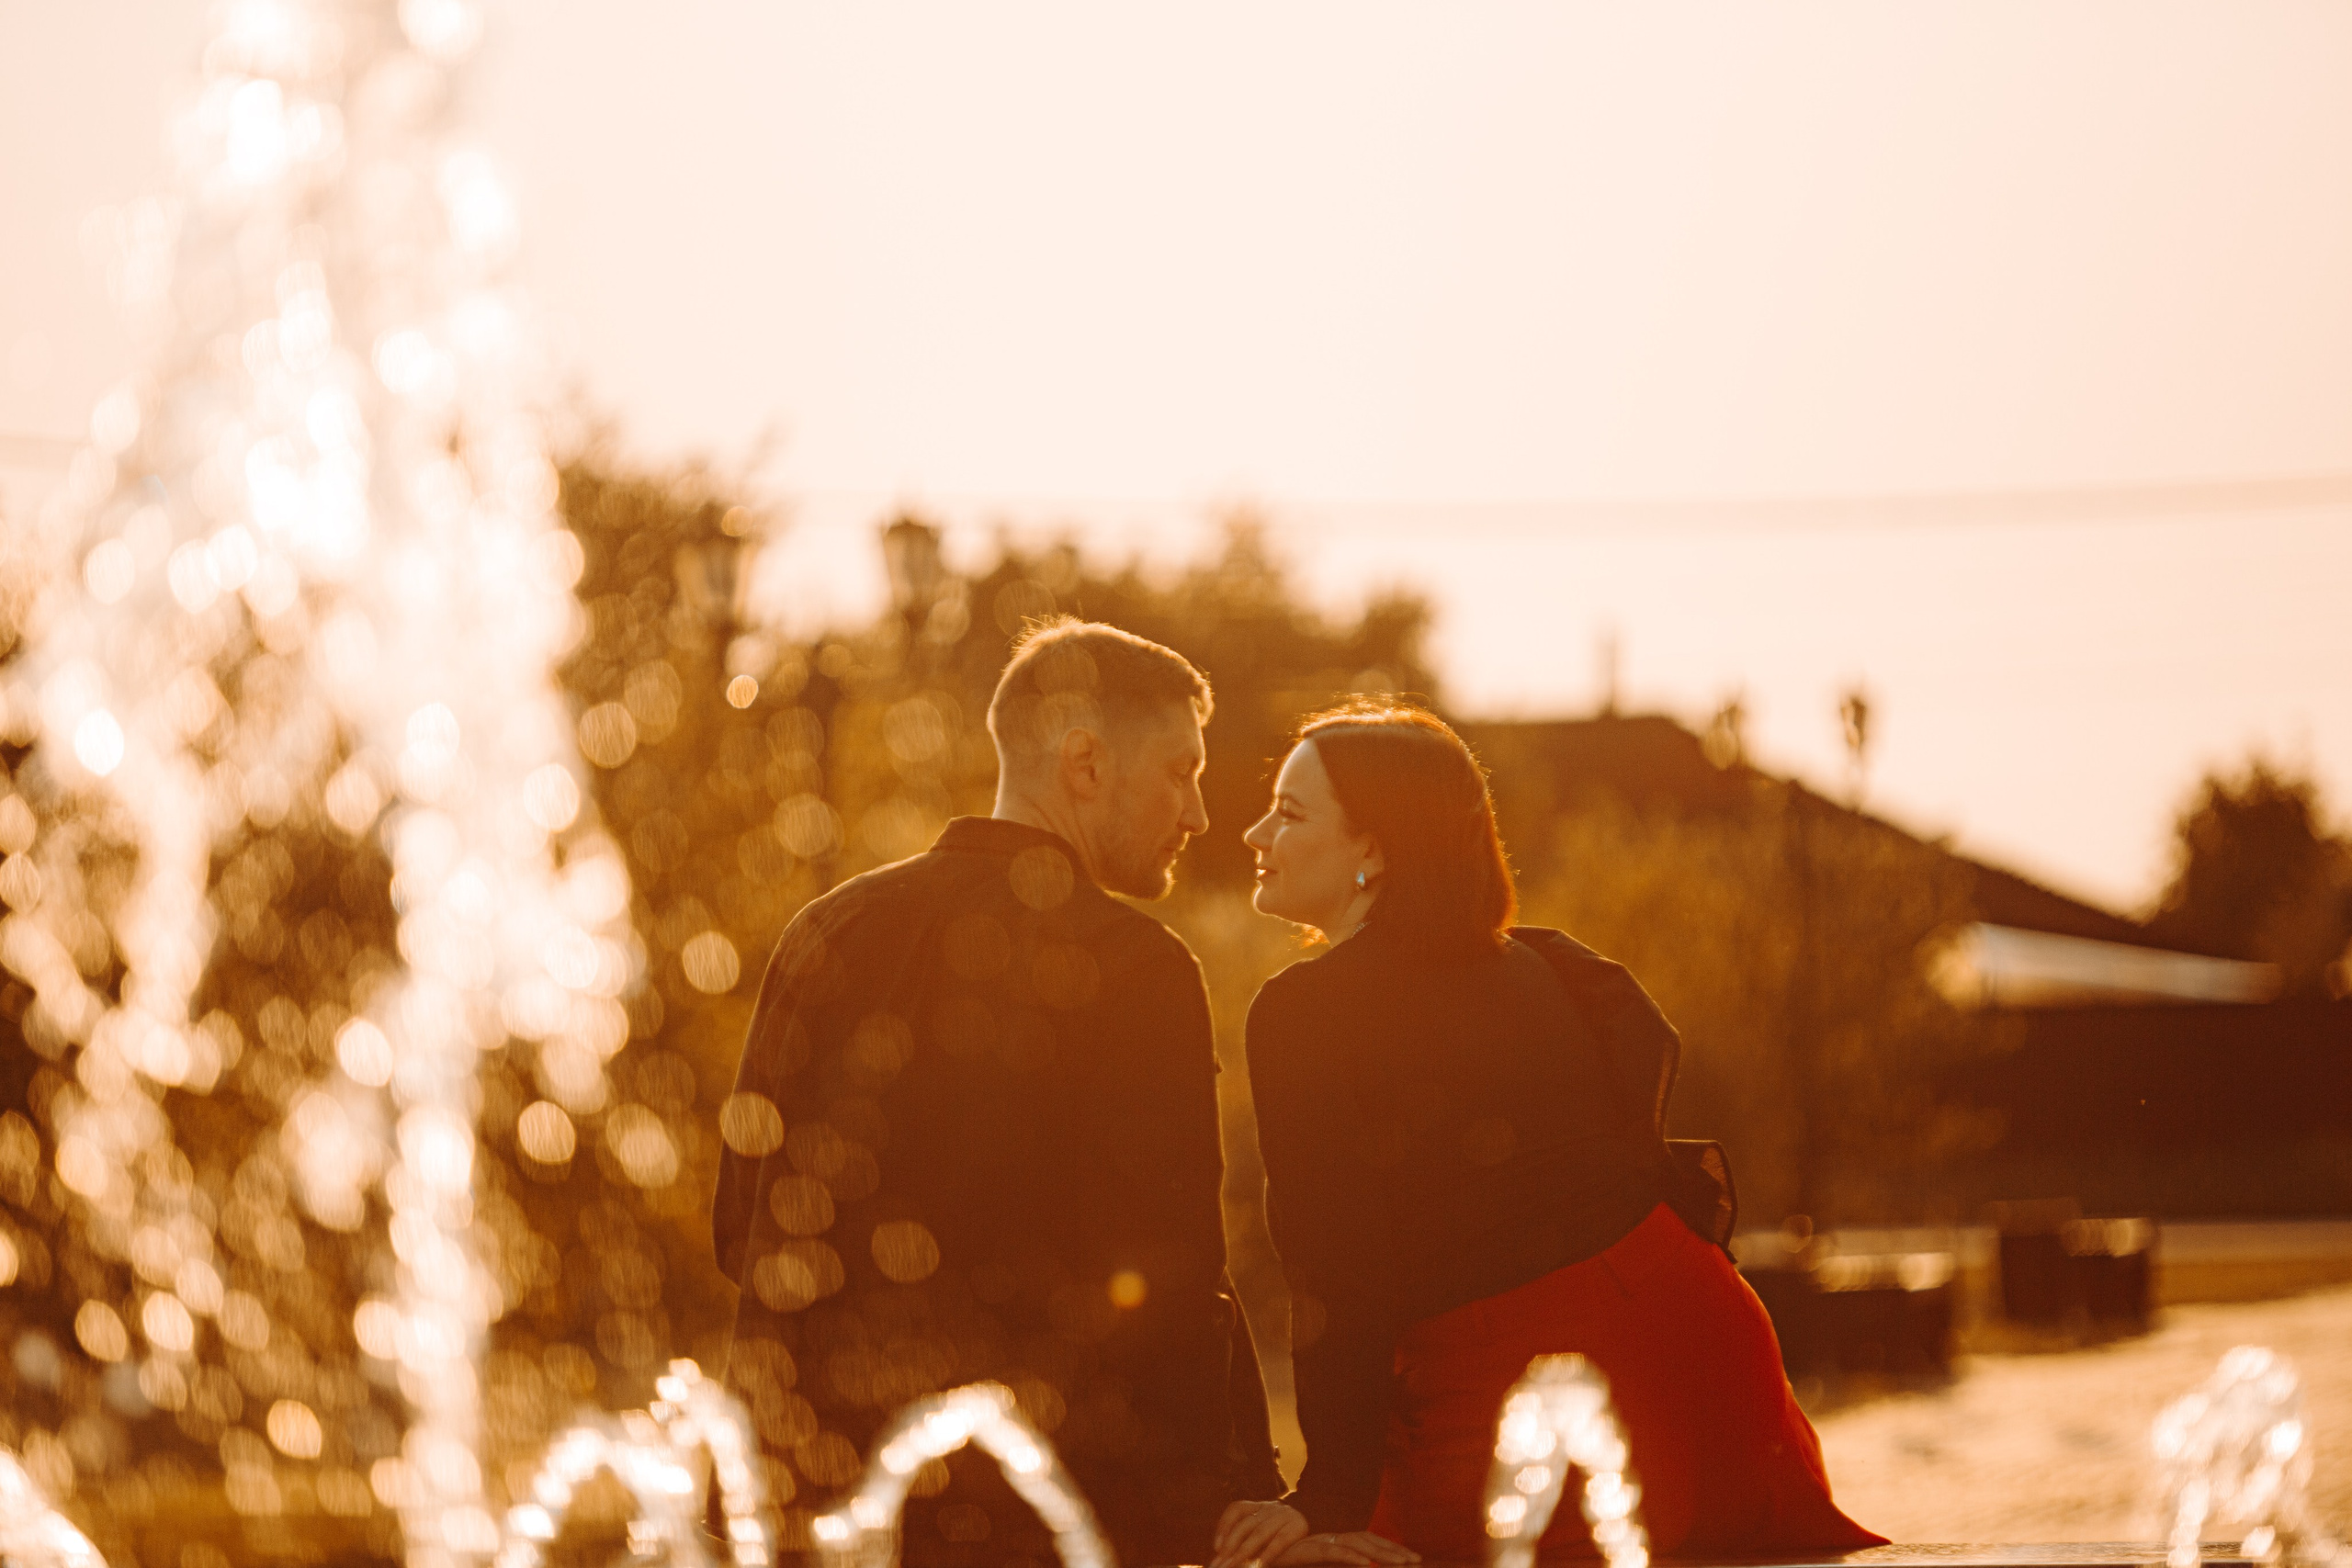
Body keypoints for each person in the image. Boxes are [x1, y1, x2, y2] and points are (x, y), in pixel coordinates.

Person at [1210, 701, 1884, 1568]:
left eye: (1290, 811)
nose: (1256, 831)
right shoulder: (1557, 964)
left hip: (1537, 1399)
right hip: (1711, 1365)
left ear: (1374, 849)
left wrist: (1327, 1494)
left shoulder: (1302, 1012)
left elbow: (1333, 1268)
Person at [712, 617, 1281, 1567]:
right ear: (1085, 762)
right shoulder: (1134, 965)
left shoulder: (827, 929)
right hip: (1042, 1511)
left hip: (808, 1503)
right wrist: (1235, 1500)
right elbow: (1174, 1280)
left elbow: (744, 1227)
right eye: (1180, 771)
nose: (1197, 815)